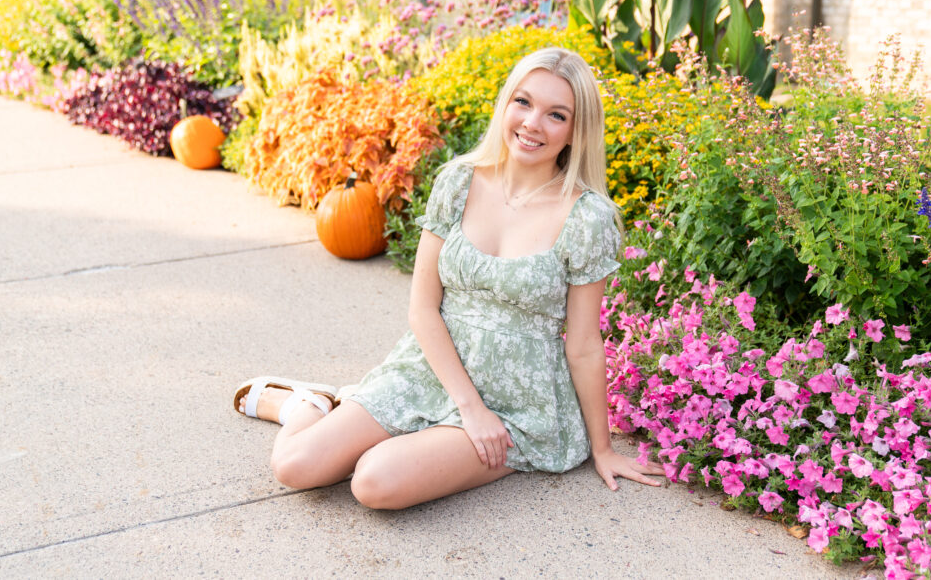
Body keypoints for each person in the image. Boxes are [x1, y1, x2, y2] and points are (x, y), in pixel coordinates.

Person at [234, 47, 664, 509]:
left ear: (577, 131)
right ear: (506, 104)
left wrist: (602, 449)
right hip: (431, 368)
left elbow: (582, 343)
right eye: (523, 102)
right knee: (295, 467)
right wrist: (468, 407)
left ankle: (406, 431)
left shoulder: (587, 217)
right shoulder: (459, 181)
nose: (533, 124)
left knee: (373, 481)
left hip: (518, 401)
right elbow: (422, 307)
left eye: (556, 115)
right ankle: (306, 405)